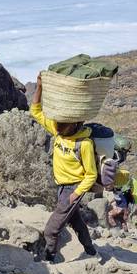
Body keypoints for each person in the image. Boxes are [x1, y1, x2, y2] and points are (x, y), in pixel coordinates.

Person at [31, 74, 98, 263]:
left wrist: (75, 195)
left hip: (71, 188)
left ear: (75, 122)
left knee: (51, 229)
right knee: (76, 221)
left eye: (63, 123)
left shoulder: (83, 143)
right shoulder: (59, 130)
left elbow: (91, 175)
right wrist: (39, 87)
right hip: (61, 187)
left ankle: (49, 259)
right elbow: (35, 111)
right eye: (57, 122)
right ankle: (91, 251)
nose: (58, 127)